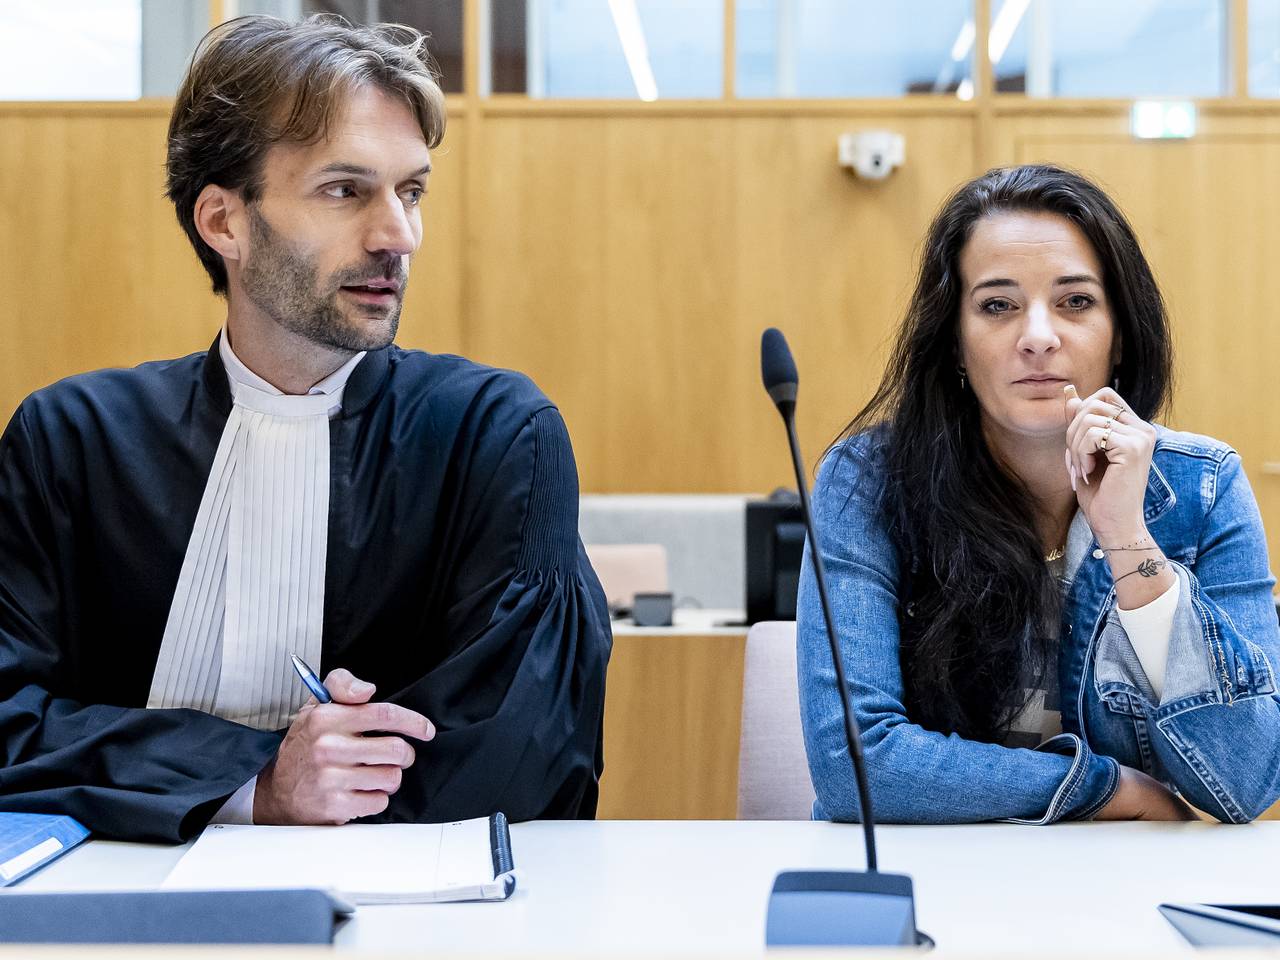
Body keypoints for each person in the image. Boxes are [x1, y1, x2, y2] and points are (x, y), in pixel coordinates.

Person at [0, 15, 610, 842]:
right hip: (108, 893)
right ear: (224, 222)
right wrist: (259, 781)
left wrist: (159, 770)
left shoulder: (494, 435)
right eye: (344, 191)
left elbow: (523, 760)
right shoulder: (73, 442)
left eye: (411, 191)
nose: (398, 235)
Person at [799, 164, 1280, 825]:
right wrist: (1104, 790)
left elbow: (1249, 778)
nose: (1038, 337)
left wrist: (1128, 540)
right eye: (997, 305)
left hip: (1127, 879)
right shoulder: (868, 480)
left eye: (1075, 302)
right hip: (934, 870)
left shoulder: (1204, 484)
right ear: (955, 343)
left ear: (1120, 335)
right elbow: (856, 765)